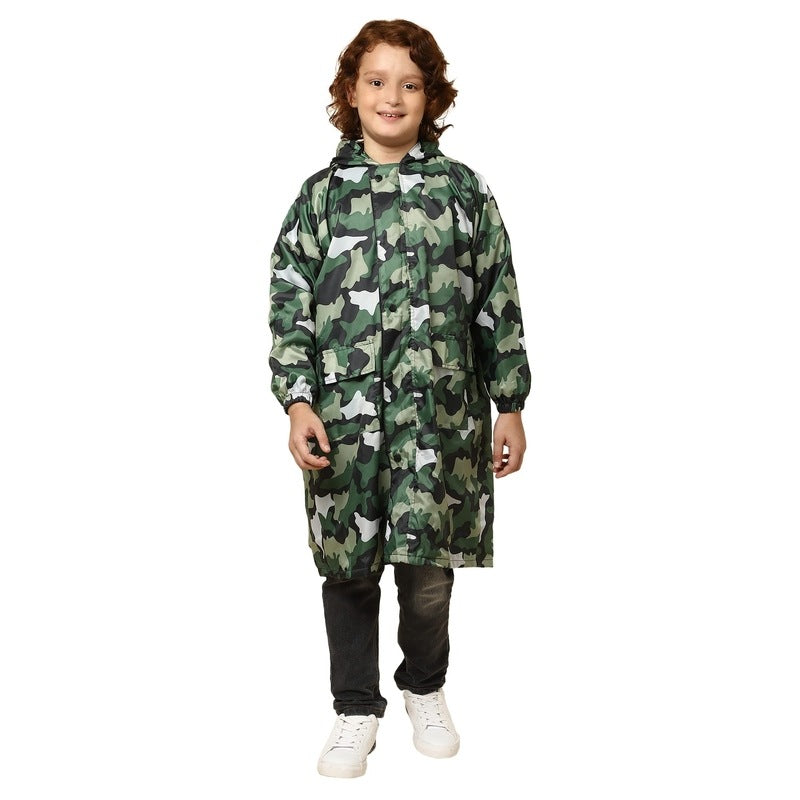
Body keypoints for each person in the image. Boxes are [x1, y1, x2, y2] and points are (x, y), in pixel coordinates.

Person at [268, 19, 531, 779]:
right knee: (348, 568)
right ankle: (355, 706)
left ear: (431, 97)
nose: (392, 96)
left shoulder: (462, 193)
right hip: (345, 425)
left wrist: (509, 403)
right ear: (350, 93)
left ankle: (424, 686)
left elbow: (497, 298)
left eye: (410, 84)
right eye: (377, 81)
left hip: (437, 422)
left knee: (427, 569)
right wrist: (298, 400)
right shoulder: (321, 199)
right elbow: (289, 301)